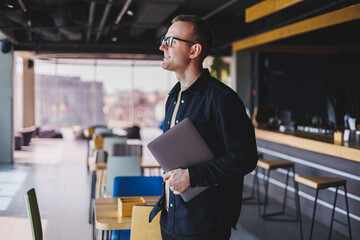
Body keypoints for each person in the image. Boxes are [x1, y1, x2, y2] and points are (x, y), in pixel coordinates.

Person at [149, 15, 258, 240]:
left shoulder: (223, 99)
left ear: (194, 50)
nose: (162, 46)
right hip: (171, 217)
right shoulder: (173, 97)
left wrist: (192, 176)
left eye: (171, 41)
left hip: (204, 223)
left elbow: (245, 157)